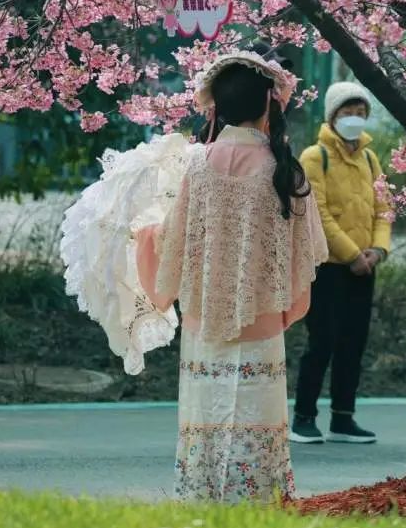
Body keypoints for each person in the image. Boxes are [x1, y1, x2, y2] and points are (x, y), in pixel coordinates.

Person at [62, 48, 327, 503]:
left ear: (218, 107)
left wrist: (145, 237)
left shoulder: (199, 165)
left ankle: (203, 498)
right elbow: (303, 255)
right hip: (262, 325)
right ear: (269, 103)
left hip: (204, 323)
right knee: (256, 418)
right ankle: (259, 501)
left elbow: (174, 245)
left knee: (208, 415)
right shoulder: (283, 170)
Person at [291, 81, 392, 444]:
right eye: (348, 112)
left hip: (365, 267)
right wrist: (352, 254)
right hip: (329, 268)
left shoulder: (370, 158)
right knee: (322, 341)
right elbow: (317, 213)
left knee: (354, 342)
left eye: (360, 112)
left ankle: (343, 418)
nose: (355, 118)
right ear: (332, 116)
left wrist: (377, 251)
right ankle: (304, 416)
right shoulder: (315, 157)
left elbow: (384, 209)